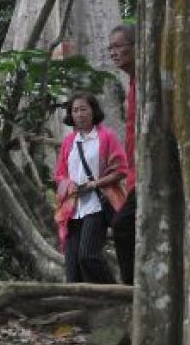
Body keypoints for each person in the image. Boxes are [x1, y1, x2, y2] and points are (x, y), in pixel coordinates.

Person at [54, 91, 129, 284]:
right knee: (72, 267)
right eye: (75, 110)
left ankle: (115, 293)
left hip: (96, 205)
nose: (79, 114)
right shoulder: (69, 142)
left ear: (93, 111)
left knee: (88, 256)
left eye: (84, 109)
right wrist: (69, 186)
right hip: (73, 208)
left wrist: (95, 184)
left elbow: (121, 169)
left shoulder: (106, 137)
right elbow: (60, 174)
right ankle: (84, 306)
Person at [107, 23, 137, 285]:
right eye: (111, 48)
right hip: (136, 175)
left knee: (122, 226)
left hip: (152, 174)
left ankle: (132, 290)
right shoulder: (133, 84)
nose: (114, 53)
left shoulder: (147, 83)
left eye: (119, 46)